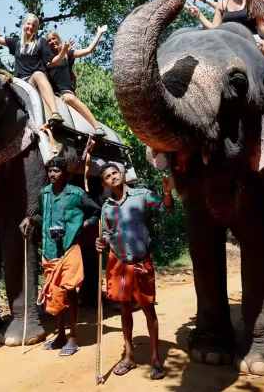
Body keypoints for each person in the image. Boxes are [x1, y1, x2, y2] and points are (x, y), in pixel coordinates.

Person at [94, 163, 173, 380]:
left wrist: (167, 193)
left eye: (115, 173)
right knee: (125, 309)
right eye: (108, 176)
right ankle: (129, 356)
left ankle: (156, 358)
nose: (113, 177)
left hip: (141, 261)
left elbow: (166, 208)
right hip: (118, 263)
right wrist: (100, 243)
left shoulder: (142, 195)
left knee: (149, 310)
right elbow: (107, 235)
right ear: (105, 183)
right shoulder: (107, 207)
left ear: (122, 174)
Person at [19, 157, 100, 357]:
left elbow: (96, 210)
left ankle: (73, 337)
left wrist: (85, 225)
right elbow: (41, 216)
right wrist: (30, 219)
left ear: (66, 174)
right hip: (49, 251)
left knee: (70, 293)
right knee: (55, 294)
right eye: (50, 171)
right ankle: (61, 335)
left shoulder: (76, 193)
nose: (52, 174)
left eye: (56, 171)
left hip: (69, 249)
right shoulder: (44, 194)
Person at [0, 10, 63, 123]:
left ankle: (55, 113)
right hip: (19, 82)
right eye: (29, 23)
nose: (30, 27)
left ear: (36, 29)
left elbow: (52, 61)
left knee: (38, 74)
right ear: (24, 25)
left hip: (34, 81)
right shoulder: (16, 43)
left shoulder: (41, 42)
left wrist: (63, 53)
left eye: (34, 25)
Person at [45, 25, 108, 137]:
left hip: (65, 92)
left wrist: (99, 33)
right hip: (51, 93)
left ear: (58, 39)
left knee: (69, 98)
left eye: (54, 38)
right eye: (49, 40)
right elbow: (55, 61)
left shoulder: (68, 54)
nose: (52, 41)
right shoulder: (48, 57)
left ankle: (97, 127)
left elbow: (89, 50)